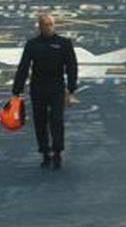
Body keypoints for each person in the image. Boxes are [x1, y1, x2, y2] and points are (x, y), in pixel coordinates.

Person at [12, 13, 78, 169]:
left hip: (56, 86)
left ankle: (57, 152)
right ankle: (44, 153)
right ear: (39, 26)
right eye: (45, 25)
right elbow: (23, 67)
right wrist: (17, 90)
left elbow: (71, 66)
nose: (48, 27)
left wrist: (71, 88)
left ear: (54, 25)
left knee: (56, 119)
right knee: (40, 121)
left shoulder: (64, 43)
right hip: (38, 87)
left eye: (50, 24)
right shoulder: (32, 45)